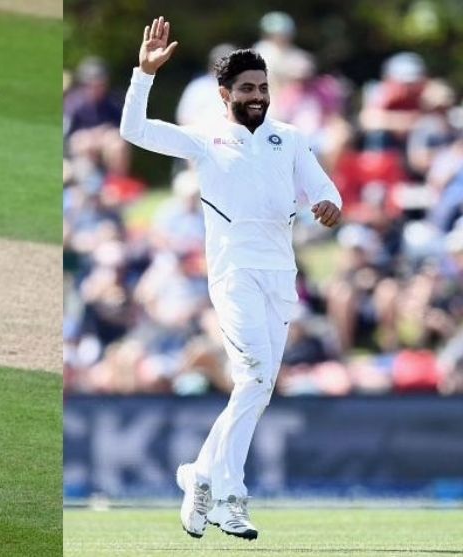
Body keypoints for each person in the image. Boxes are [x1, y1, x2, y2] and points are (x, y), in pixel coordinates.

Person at [119, 17, 342, 540]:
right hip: (233, 274)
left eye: (263, 88)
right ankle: (231, 495)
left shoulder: (289, 140)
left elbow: (325, 190)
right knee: (255, 376)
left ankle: (199, 474)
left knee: (259, 386)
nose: (258, 96)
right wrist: (143, 75)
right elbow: (134, 131)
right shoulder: (206, 139)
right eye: (247, 89)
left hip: (280, 278)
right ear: (225, 94)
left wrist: (331, 207)